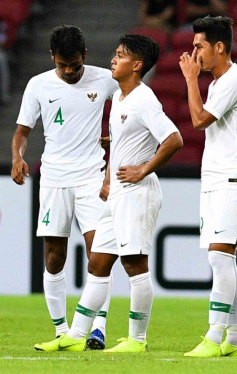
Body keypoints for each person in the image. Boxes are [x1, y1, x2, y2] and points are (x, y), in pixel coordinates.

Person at [34, 34, 183, 353]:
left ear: (137, 65)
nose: (113, 60)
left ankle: (136, 339)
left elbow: (173, 139)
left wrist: (143, 168)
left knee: (134, 264)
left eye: (120, 55)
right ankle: (75, 335)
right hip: (117, 193)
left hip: (138, 191)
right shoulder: (119, 99)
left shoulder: (144, 98)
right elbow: (122, 142)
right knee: (98, 263)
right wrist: (109, 169)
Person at [12, 25, 118, 351]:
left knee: (98, 255)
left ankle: (97, 329)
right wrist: (17, 157)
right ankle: (62, 331)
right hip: (54, 180)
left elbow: (133, 105)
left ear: (85, 55)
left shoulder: (105, 79)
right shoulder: (38, 85)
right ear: (52, 58)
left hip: (91, 178)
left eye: (75, 65)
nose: (69, 72)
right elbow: (22, 132)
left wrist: (117, 139)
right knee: (54, 257)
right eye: (63, 66)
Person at [179, 15, 237, 358]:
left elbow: (197, 121)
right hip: (215, 178)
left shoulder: (234, 80)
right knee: (224, 260)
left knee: (218, 257)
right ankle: (236, 340)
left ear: (220, 47)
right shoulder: (217, 83)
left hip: (233, 177)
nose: (194, 53)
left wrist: (189, 80)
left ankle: (213, 337)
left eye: (199, 46)